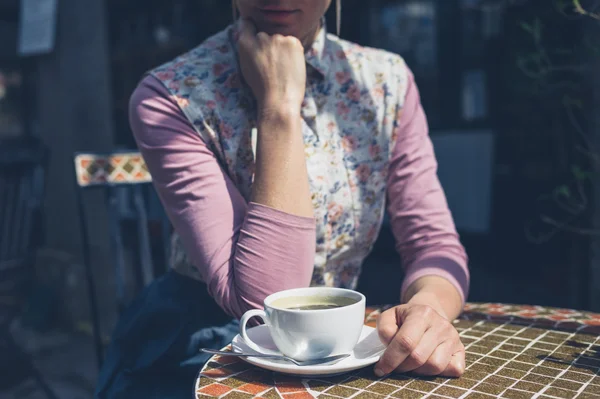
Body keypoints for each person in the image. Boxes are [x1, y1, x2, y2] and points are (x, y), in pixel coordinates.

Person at [96, 1, 470, 397]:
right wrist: (278, 106)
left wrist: (429, 306)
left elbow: (433, 244)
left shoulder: (386, 82)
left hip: (339, 349)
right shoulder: (171, 95)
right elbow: (263, 299)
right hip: (204, 348)